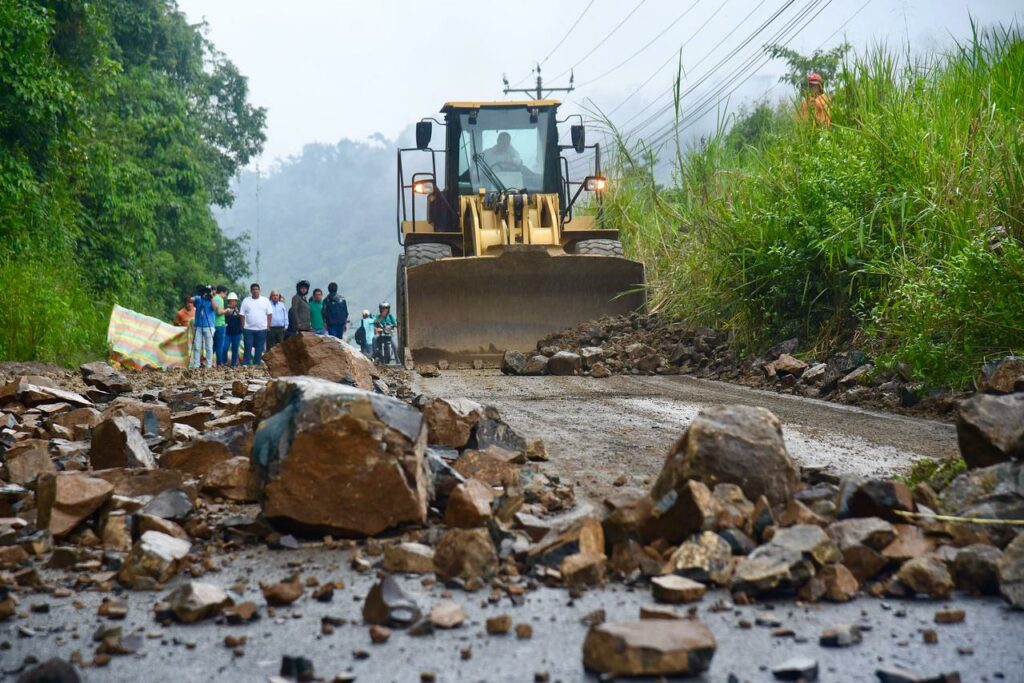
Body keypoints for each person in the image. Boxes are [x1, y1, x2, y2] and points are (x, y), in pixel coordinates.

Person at [239, 282, 273, 365]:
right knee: (248, 347)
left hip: (262, 329)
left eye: (257, 289)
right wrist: (243, 325)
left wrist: (268, 325)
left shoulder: (265, 300)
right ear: (251, 291)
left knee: (259, 349)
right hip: (248, 329)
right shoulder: (246, 300)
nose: (255, 291)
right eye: (253, 289)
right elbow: (241, 314)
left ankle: (256, 365)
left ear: (259, 290)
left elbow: (269, 314)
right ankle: (246, 364)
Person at [190, 285, 216, 369]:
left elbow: (215, 308)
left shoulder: (213, 300)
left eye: (208, 291)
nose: (206, 293)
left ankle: (208, 365)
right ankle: (196, 365)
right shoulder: (198, 298)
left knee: (209, 346)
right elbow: (190, 300)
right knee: (197, 346)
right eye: (206, 291)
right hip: (198, 326)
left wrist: (211, 297)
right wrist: (199, 293)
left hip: (209, 326)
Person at [223, 293, 244, 366]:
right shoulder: (226, 309)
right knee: (224, 348)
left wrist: (237, 311)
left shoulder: (239, 309)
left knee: (235, 349)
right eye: (230, 301)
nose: (232, 302)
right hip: (227, 333)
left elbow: (241, 318)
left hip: (237, 332)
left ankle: (234, 364)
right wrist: (228, 312)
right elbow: (224, 318)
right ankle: (224, 362)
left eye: (234, 301)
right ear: (228, 302)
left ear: (236, 301)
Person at [212, 285, 228, 366]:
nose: (225, 296)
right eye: (225, 294)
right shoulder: (220, 299)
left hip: (213, 324)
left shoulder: (213, 298)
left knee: (214, 345)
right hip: (220, 325)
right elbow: (219, 312)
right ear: (222, 292)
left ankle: (208, 361)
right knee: (220, 345)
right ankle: (219, 363)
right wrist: (227, 310)